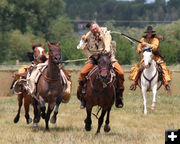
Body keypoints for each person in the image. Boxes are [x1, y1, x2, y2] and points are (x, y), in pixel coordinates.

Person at [77, 21, 124, 109]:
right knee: (83, 73)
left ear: (97, 26)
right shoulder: (87, 37)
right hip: (94, 59)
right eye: (93, 29)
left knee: (121, 73)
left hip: (107, 58)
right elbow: (84, 49)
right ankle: (83, 96)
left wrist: (105, 52)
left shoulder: (105, 33)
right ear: (90, 30)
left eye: (96, 28)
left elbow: (107, 42)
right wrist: (91, 56)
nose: (95, 30)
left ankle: (119, 95)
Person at [129, 26, 171, 91]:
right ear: (146, 33)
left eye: (150, 32)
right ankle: (134, 83)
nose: (149, 33)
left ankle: (165, 83)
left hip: (155, 57)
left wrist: (146, 44)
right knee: (139, 68)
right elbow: (139, 46)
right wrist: (139, 50)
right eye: (148, 32)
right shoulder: (143, 39)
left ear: (152, 33)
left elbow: (155, 47)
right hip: (145, 57)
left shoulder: (155, 39)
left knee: (162, 67)